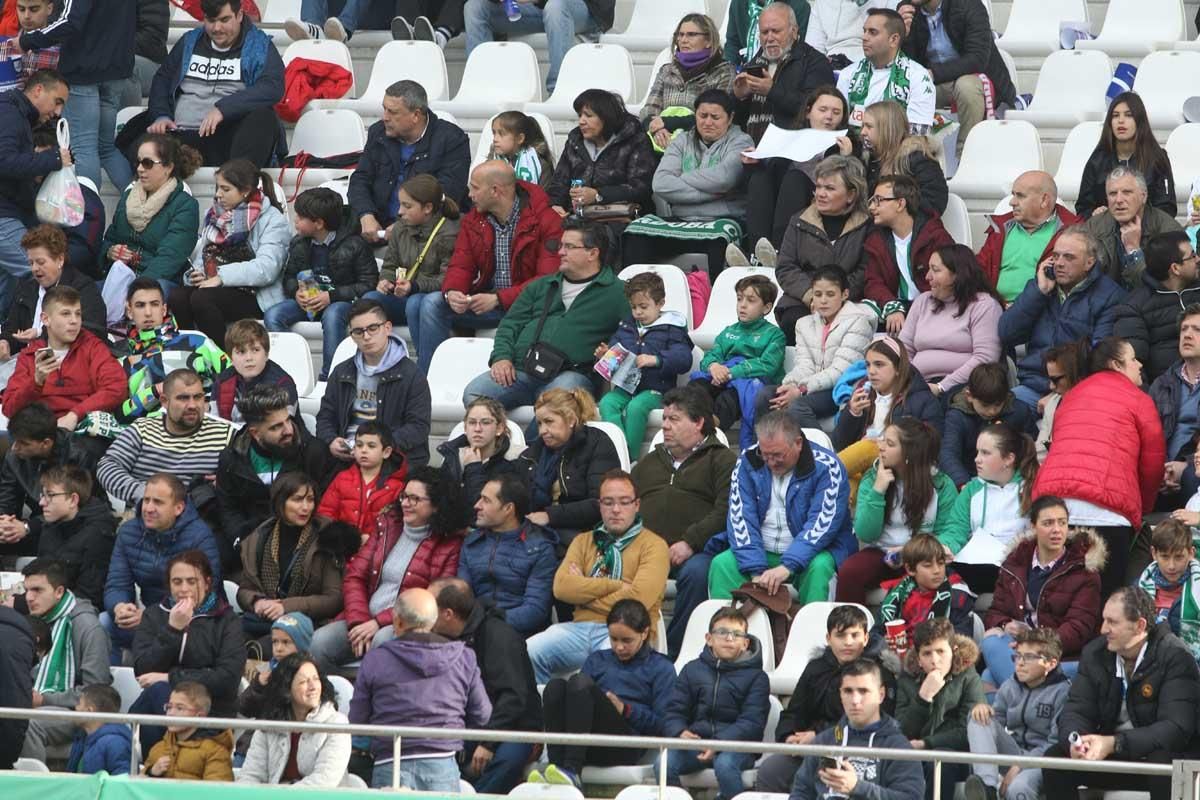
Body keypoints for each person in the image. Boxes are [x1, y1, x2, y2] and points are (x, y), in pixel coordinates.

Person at [1042, 587, 1200, 800]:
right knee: (1055, 759)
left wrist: (1114, 743)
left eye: (1112, 622)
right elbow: (1076, 710)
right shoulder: (1094, 653)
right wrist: (1076, 741)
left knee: (1163, 762)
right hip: (1115, 754)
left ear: (1139, 625)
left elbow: (1175, 730)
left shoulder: (1176, 656)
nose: (1102, 629)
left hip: (1157, 758)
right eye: (1103, 620)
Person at [1035, 337, 1163, 595]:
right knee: (1105, 607)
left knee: (1059, 603)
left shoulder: (1070, 397)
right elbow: (1152, 465)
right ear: (1116, 365)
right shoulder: (1138, 399)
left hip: (1055, 509)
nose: (1139, 365)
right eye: (1133, 359)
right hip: (1108, 514)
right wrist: (1142, 509)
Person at [461, 219, 628, 414]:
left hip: (572, 375)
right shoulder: (541, 285)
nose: (560, 252)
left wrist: (607, 355)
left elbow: (633, 336)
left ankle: (534, 444)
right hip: (521, 371)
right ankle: (502, 441)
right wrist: (501, 358)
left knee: (556, 406)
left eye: (569, 247)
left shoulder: (619, 292)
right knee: (475, 394)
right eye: (561, 246)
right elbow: (510, 324)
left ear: (593, 253)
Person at [310, 465, 465, 672]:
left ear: (436, 506)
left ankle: (375, 698)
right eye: (404, 496)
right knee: (320, 642)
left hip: (408, 622)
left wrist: (378, 622)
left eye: (415, 499)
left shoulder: (449, 544)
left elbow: (432, 597)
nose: (406, 504)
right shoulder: (388, 525)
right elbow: (355, 576)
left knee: (383, 640)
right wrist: (359, 620)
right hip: (364, 615)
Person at [526, 469, 668, 683]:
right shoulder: (583, 541)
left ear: (636, 505)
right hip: (580, 629)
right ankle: (544, 710)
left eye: (624, 502)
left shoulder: (654, 545)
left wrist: (583, 590)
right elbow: (562, 588)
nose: (616, 510)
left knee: (604, 665)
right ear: (600, 505)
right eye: (608, 502)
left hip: (628, 632)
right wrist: (616, 586)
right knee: (529, 651)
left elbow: (637, 602)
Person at [704, 410, 854, 605]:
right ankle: (727, 632)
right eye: (765, 455)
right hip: (760, 550)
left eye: (777, 455)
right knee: (722, 565)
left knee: (820, 568)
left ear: (798, 443)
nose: (771, 462)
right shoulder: (747, 461)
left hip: (812, 554)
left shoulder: (828, 467)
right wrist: (755, 570)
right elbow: (740, 518)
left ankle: (813, 634)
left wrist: (787, 566)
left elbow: (821, 525)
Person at [424, 161, 562, 372]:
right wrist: (453, 291)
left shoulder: (546, 220)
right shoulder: (474, 219)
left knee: (421, 305)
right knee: (429, 304)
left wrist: (499, 298)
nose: (469, 194)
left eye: (475, 188)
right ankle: (429, 381)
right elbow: (461, 264)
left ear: (495, 191)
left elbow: (547, 280)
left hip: (526, 309)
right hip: (485, 303)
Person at [349, 587, 492, 791]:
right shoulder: (464, 657)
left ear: (397, 621)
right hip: (442, 766)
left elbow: (357, 719)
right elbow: (483, 716)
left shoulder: (375, 660)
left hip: (390, 765)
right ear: (433, 621)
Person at [632, 387, 737, 657]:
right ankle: (629, 648)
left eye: (674, 419)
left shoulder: (723, 460)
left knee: (697, 574)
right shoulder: (649, 462)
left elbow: (726, 510)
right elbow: (627, 504)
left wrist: (690, 542)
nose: (665, 426)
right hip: (647, 550)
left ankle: (676, 654)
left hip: (698, 551)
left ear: (699, 422)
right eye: (664, 419)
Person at [532, 599, 676, 790]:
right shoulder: (598, 659)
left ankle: (572, 770)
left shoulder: (661, 668)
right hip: (587, 740)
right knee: (555, 686)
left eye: (627, 640)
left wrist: (625, 710)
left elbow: (663, 726)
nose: (619, 647)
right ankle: (557, 766)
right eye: (613, 639)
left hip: (624, 746)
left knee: (581, 683)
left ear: (644, 633)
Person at [756, 605, 899, 794]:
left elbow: (872, 724)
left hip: (857, 753)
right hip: (810, 750)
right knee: (770, 772)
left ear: (865, 638)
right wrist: (788, 737)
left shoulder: (880, 673)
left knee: (820, 784)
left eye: (855, 635)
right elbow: (794, 711)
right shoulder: (815, 668)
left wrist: (817, 736)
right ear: (828, 638)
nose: (848, 642)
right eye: (840, 636)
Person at [430, 577, 542, 794]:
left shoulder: (499, 636)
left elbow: (513, 698)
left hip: (517, 728)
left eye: (430, 607)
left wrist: (488, 742)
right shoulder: (441, 638)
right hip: (469, 725)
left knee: (505, 763)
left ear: (448, 614)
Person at [140, 1, 283, 168]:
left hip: (226, 139)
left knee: (264, 118)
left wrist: (224, 108)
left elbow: (272, 86)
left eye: (224, 20)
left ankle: (236, 184)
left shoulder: (259, 45)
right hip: (181, 135)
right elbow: (162, 79)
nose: (216, 28)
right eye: (210, 20)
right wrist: (161, 115)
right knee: (132, 135)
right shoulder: (189, 41)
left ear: (239, 15)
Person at [980, 496, 1104, 688]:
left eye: (1062, 523)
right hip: (1019, 650)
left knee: (989, 677)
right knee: (990, 642)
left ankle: (1023, 693)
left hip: (1059, 657)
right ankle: (1026, 694)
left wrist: (1035, 643)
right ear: (1033, 527)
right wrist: (1004, 625)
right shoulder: (1015, 563)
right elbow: (996, 611)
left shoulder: (1085, 572)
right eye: (1048, 523)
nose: (1057, 530)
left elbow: (1078, 629)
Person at [624, 89, 754, 271]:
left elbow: (725, 179)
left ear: (730, 118)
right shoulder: (681, 140)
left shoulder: (741, 141)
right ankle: (637, 293)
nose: (708, 122)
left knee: (720, 237)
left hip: (722, 218)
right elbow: (660, 184)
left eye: (715, 117)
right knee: (636, 230)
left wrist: (682, 178)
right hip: (682, 219)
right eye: (703, 116)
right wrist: (714, 192)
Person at [999, 225, 1125, 411]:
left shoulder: (1110, 295)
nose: (1059, 263)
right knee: (1000, 418)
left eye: (1069, 257)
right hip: (1033, 384)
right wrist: (1038, 293)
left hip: (1079, 390)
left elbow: (1099, 354)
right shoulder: (1041, 288)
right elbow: (1006, 333)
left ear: (1089, 262)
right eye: (1056, 256)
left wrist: (1059, 393)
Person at [131, 548, 245, 753]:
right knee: (157, 694)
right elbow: (142, 670)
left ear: (207, 583)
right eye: (177, 582)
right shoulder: (154, 615)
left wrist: (170, 678)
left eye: (192, 582)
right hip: (161, 707)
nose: (184, 589)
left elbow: (227, 678)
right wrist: (172, 629)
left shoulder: (227, 620)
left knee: (158, 692)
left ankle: (169, 762)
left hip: (211, 710)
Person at [169, 161, 290, 350]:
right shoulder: (215, 215)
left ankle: (223, 360)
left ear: (245, 191)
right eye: (218, 188)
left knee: (202, 299)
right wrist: (196, 274)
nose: (218, 194)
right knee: (177, 297)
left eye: (226, 189)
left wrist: (221, 277)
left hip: (256, 295)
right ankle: (192, 355)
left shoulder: (273, 220)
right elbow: (205, 255)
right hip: (217, 288)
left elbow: (267, 269)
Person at [16, 2, 135, 190]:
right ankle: (139, 204)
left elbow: (69, 21)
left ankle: (89, 215)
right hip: (117, 69)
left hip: (83, 70)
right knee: (106, 149)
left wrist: (27, 41)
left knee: (83, 149)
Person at [104, 474, 223, 662]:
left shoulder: (200, 537)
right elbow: (116, 583)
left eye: (158, 502)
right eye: (146, 500)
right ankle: (107, 689)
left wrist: (152, 615)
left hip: (192, 621)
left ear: (178, 508)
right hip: (146, 618)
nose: (149, 508)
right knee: (105, 622)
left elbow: (205, 594)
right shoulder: (129, 532)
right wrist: (120, 607)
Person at [837, 419, 957, 603]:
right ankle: (849, 629)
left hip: (925, 555)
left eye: (890, 443)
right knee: (850, 571)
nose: (880, 446)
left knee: (932, 577)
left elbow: (948, 532)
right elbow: (865, 533)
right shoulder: (872, 477)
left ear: (910, 453)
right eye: (883, 439)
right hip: (882, 552)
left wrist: (911, 551)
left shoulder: (941, 485)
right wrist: (878, 490)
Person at [266, 186, 378, 381]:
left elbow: (368, 284)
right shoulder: (299, 243)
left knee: (333, 315)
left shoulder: (355, 244)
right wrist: (296, 293)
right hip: (309, 302)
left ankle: (330, 377)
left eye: (300, 217)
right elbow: (289, 277)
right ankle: (292, 372)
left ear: (318, 223)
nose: (295, 220)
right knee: (274, 314)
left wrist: (331, 297)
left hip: (341, 302)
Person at [660, 606, 770, 799]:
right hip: (696, 745)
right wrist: (680, 732)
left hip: (736, 747)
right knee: (663, 763)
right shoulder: (691, 670)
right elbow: (674, 710)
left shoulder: (757, 678)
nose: (729, 638)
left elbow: (752, 723)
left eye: (736, 634)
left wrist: (718, 744)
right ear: (709, 638)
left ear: (745, 643)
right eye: (722, 632)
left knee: (725, 765)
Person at [216, 385, 332, 562]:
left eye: (288, 420)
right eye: (277, 427)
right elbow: (228, 508)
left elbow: (326, 506)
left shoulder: (313, 453)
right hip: (250, 542)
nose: (288, 430)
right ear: (255, 433)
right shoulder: (232, 459)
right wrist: (241, 541)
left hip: (302, 543)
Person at [736, 86, 855, 254]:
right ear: (808, 112)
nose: (829, 117)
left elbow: (854, 186)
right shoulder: (789, 138)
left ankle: (780, 251)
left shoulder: (848, 144)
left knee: (795, 179)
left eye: (836, 112)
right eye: (823, 110)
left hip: (816, 199)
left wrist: (847, 158)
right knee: (760, 178)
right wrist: (752, 165)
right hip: (780, 201)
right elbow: (768, 178)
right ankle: (757, 252)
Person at [16, 558, 113, 764]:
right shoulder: (31, 621)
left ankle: (34, 790)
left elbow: (96, 693)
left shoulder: (89, 627)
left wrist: (44, 700)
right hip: (27, 701)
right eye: (27, 590)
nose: (29, 597)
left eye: (37, 590)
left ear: (59, 592)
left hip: (75, 710)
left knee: (24, 724)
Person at [349, 79, 470, 240]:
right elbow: (360, 179)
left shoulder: (452, 140)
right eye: (384, 109)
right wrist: (365, 214)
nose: (385, 117)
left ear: (416, 115)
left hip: (426, 234)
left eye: (392, 112)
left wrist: (404, 224)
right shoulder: (378, 133)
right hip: (377, 227)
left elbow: (447, 194)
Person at [317, 298, 432, 467]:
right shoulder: (341, 372)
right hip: (347, 456)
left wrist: (379, 448)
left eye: (372, 328)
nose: (366, 336)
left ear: (387, 328)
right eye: (358, 331)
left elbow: (418, 427)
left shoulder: (412, 374)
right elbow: (325, 417)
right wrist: (331, 440)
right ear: (352, 336)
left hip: (391, 457)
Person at [97, 368, 236, 506]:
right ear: (164, 401)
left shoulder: (226, 434)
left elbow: (249, 478)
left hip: (200, 516)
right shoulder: (142, 429)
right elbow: (107, 467)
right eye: (183, 398)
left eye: (198, 397)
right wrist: (147, 497)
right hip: (145, 518)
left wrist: (228, 483)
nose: (193, 405)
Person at [791, 658, 925, 800]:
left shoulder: (898, 747)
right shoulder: (825, 740)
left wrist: (857, 787)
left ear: (881, 695)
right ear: (840, 694)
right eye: (848, 691)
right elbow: (800, 792)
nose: (855, 700)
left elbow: (910, 797)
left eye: (863, 691)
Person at [366, 174, 460, 374]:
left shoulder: (450, 232)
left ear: (427, 208)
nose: (400, 212)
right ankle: (376, 369)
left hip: (430, 300)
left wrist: (415, 286)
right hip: (404, 296)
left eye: (407, 206)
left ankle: (426, 371)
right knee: (370, 301)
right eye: (400, 205)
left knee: (417, 302)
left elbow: (448, 278)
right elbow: (390, 264)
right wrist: (386, 280)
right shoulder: (401, 228)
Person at [771, 155, 872, 340]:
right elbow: (786, 267)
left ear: (851, 194)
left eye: (829, 188)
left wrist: (834, 297)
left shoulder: (867, 225)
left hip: (848, 300)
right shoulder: (799, 220)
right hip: (802, 300)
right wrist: (813, 296)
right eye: (818, 186)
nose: (820, 193)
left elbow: (866, 271)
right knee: (795, 322)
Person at [236, 472, 348, 638]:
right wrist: (257, 602)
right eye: (297, 499)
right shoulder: (260, 537)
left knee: (266, 646)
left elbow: (334, 599)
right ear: (280, 502)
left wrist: (285, 606)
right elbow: (245, 589)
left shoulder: (327, 537)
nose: (306, 507)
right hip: (264, 619)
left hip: (306, 623)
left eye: (310, 500)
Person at [898, 0, 1016, 157]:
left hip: (977, 80)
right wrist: (902, 35)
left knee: (966, 86)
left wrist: (933, 73)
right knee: (901, 92)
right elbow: (904, 67)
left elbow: (977, 59)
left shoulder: (968, 5)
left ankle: (966, 156)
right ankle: (916, 158)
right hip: (937, 84)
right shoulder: (907, 11)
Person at [596, 272, 693, 460]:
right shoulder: (626, 326)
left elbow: (684, 359)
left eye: (643, 306)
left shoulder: (672, 328)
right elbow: (615, 353)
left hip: (656, 390)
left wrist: (656, 360)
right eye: (633, 307)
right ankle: (618, 451)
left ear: (660, 304)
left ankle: (629, 458)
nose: (638, 312)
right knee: (607, 402)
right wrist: (605, 355)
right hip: (626, 387)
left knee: (636, 407)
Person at [965, 627, 1070, 800]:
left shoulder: (1063, 692)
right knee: (978, 717)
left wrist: (1021, 764)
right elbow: (994, 726)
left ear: (1051, 663)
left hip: (1042, 761)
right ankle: (987, 788)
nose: (1019, 663)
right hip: (1013, 752)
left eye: (1028, 657)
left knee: (1017, 788)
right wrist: (982, 709)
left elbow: (1055, 745)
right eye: (1018, 656)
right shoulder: (1010, 685)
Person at [2, 285, 127, 428]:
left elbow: (116, 388)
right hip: (40, 432)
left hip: (83, 428)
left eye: (78, 314)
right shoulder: (29, 356)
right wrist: (36, 382)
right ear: (45, 319)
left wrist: (75, 415)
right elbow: (9, 409)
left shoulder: (93, 347)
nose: (74, 320)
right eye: (66, 313)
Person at [0, 68, 71, 316]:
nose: (58, 112)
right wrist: (54, 159)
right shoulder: (9, 113)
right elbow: (4, 162)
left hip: (9, 213)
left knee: (6, 287)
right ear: (38, 90)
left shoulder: (16, 114)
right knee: (43, 270)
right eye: (57, 101)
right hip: (3, 217)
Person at [939, 423, 1039, 594]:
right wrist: (945, 546)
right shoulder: (971, 489)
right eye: (978, 452)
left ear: (1008, 459)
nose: (977, 459)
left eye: (985, 453)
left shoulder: (1032, 487)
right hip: (977, 568)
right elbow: (956, 529)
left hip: (1019, 567)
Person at [900, 242, 1004, 400]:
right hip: (918, 385)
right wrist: (907, 382)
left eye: (935, 270)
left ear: (958, 274)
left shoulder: (984, 306)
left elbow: (985, 359)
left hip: (964, 389)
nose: (927, 276)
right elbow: (903, 349)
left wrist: (942, 387)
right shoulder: (922, 301)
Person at [690, 274, 786, 446]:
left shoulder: (774, 335)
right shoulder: (728, 332)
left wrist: (731, 373)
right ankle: (692, 431)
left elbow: (767, 365)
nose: (742, 305)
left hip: (751, 383)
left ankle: (709, 436)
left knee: (729, 398)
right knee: (697, 388)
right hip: (722, 377)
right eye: (740, 299)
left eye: (751, 300)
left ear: (766, 307)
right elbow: (712, 355)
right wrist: (713, 366)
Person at [117, 278, 230, 421]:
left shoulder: (197, 341)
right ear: (129, 311)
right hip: (153, 432)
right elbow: (120, 415)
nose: (148, 312)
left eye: (154, 304)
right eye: (140, 305)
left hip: (204, 422)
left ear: (163, 309)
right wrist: (156, 391)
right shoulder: (124, 362)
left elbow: (232, 378)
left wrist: (208, 405)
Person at [458, 474, 558, 636]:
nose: (477, 505)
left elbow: (536, 610)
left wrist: (489, 624)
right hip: (473, 628)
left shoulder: (539, 548)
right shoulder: (472, 542)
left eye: (486, 500)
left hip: (518, 634)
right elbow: (462, 596)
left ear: (508, 509)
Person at [832, 336, 944, 479]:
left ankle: (822, 477)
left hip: (899, 469)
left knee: (866, 448)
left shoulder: (922, 400)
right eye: (868, 365)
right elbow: (839, 444)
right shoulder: (864, 394)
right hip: (865, 470)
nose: (871, 371)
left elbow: (931, 447)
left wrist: (884, 444)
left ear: (898, 368)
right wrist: (852, 413)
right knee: (847, 491)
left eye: (879, 364)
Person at [99, 134, 202, 288]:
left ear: (168, 167)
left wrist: (135, 289)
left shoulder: (185, 206)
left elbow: (169, 258)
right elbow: (109, 239)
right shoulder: (128, 196)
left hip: (159, 284)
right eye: (138, 162)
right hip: (119, 278)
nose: (140, 169)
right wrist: (110, 252)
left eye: (147, 163)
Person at [517, 388, 621, 540]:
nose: (542, 431)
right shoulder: (531, 455)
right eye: (539, 424)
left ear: (571, 420)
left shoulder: (597, 443)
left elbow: (602, 503)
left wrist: (549, 516)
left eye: (549, 422)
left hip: (585, 534)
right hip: (536, 532)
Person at [0, 403, 100, 559]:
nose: (14, 448)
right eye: (14, 440)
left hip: (73, 528)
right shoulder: (15, 457)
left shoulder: (79, 454)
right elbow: (7, 499)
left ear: (45, 443)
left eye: (23, 443)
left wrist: (28, 527)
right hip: (38, 523)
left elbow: (80, 509)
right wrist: (4, 524)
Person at [237, 654, 352, 786]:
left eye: (316, 679)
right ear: (286, 689)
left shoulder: (337, 724)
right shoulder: (269, 725)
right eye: (304, 682)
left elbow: (323, 782)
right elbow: (250, 776)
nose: (313, 687)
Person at [731, 2, 833, 146]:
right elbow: (732, 119)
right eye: (765, 32)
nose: (770, 38)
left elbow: (817, 110)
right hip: (750, 148)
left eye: (776, 31)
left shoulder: (814, 62)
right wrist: (738, 97)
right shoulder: (754, 64)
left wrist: (772, 91)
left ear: (794, 31)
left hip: (794, 148)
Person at [545, 90, 657, 220]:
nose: (581, 121)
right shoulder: (575, 141)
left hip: (622, 219)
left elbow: (641, 187)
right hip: (578, 217)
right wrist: (556, 204)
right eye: (580, 115)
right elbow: (559, 182)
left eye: (588, 115)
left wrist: (598, 195)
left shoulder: (635, 140)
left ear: (606, 117)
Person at [0, 225, 106, 363]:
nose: (34, 269)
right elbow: (12, 326)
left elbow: (90, 333)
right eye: (31, 263)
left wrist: (40, 335)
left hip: (68, 365)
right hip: (26, 362)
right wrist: (5, 342)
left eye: (41, 262)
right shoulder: (27, 287)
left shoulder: (83, 289)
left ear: (60, 260)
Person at [863, 174, 955, 331]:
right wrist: (891, 305)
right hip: (895, 309)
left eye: (879, 200)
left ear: (900, 204)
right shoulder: (875, 239)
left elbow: (949, 278)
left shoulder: (935, 236)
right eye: (872, 200)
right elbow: (872, 282)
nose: (872, 207)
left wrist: (921, 309)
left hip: (932, 308)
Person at [463, 0, 614, 94]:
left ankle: (558, 90)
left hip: (587, 9)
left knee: (556, 6)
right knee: (475, 7)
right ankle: (480, 86)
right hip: (541, 10)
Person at [977, 170, 1082, 304]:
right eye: (1013, 195)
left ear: (1044, 200)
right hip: (993, 307)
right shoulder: (1001, 227)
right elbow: (978, 269)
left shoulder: (1072, 231)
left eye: (1020, 196)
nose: (1012, 202)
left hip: (1042, 311)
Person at [1114, 230, 1200, 385]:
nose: (1198, 259)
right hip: (1165, 395)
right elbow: (1132, 367)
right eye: (1192, 256)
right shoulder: (1134, 307)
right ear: (1175, 268)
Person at [895, 616, 984, 762]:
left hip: (954, 757)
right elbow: (901, 731)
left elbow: (969, 731)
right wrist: (923, 698)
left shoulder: (968, 677)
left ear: (953, 651)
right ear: (918, 659)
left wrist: (927, 743)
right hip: (913, 754)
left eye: (940, 651)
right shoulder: (907, 680)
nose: (934, 660)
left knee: (939, 764)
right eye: (927, 653)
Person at [1076, 91, 1176, 220]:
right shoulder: (1097, 160)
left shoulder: (1157, 158)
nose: (1121, 121)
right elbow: (1083, 208)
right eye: (1115, 116)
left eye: (1128, 115)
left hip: (1148, 232)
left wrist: (1137, 216)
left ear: (1139, 121)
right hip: (1105, 233)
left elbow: (1167, 208)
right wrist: (1094, 213)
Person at [641, 14, 735, 149]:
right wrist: (656, 129)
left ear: (708, 40)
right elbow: (649, 108)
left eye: (691, 35)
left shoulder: (724, 71)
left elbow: (717, 114)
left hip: (703, 143)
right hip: (661, 137)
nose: (683, 40)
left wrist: (668, 122)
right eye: (680, 35)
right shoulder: (667, 70)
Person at [1082, 167, 1183, 290]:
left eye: (1127, 192)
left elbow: (1164, 288)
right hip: (1104, 305)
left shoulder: (1168, 230)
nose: (1119, 200)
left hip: (1152, 306)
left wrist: (1134, 251)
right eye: (1113, 193)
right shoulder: (1093, 227)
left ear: (1143, 197)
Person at [837, 8, 935, 133]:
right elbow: (838, 124)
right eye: (864, 31)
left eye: (872, 32)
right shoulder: (848, 73)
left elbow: (918, 134)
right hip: (852, 149)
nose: (864, 37)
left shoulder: (918, 76)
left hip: (898, 150)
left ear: (893, 40)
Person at [35, 464, 118, 610]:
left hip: (78, 612)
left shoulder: (99, 534)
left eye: (50, 495)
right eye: (42, 495)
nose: (41, 502)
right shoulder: (51, 524)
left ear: (73, 500)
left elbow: (90, 596)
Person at [938, 364, 1035, 488]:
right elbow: (948, 453)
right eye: (985, 405)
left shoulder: (1019, 411)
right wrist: (962, 483)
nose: (992, 411)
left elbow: (1030, 445)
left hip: (1012, 478)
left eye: (998, 404)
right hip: (971, 477)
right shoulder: (957, 416)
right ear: (969, 396)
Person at [874, 533, 975, 641]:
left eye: (941, 563)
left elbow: (962, 638)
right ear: (910, 569)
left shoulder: (957, 596)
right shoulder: (897, 593)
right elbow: (876, 632)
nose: (937, 570)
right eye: (928, 565)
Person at [317, 421, 406, 542]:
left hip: (376, 551)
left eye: (371, 446)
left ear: (386, 452)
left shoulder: (396, 487)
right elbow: (325, 513)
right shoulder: (342, 478)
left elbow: (396, 526)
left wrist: (372, 540)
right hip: (341, 547)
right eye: (359, 445)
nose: (364, 450)